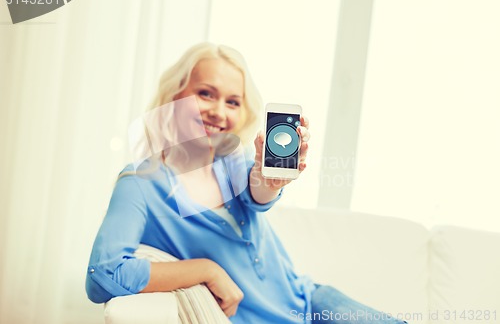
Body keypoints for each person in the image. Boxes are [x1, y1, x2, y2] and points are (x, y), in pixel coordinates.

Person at [86, 42, 407, 324]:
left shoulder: (233, 161)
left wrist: (272, 180)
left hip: (314, 303)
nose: (217, 111)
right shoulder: (141, 184)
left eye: (233, 102)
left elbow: (258, 191)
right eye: (206, 93)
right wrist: (206, 270)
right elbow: (103, 275)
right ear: (174, 96)